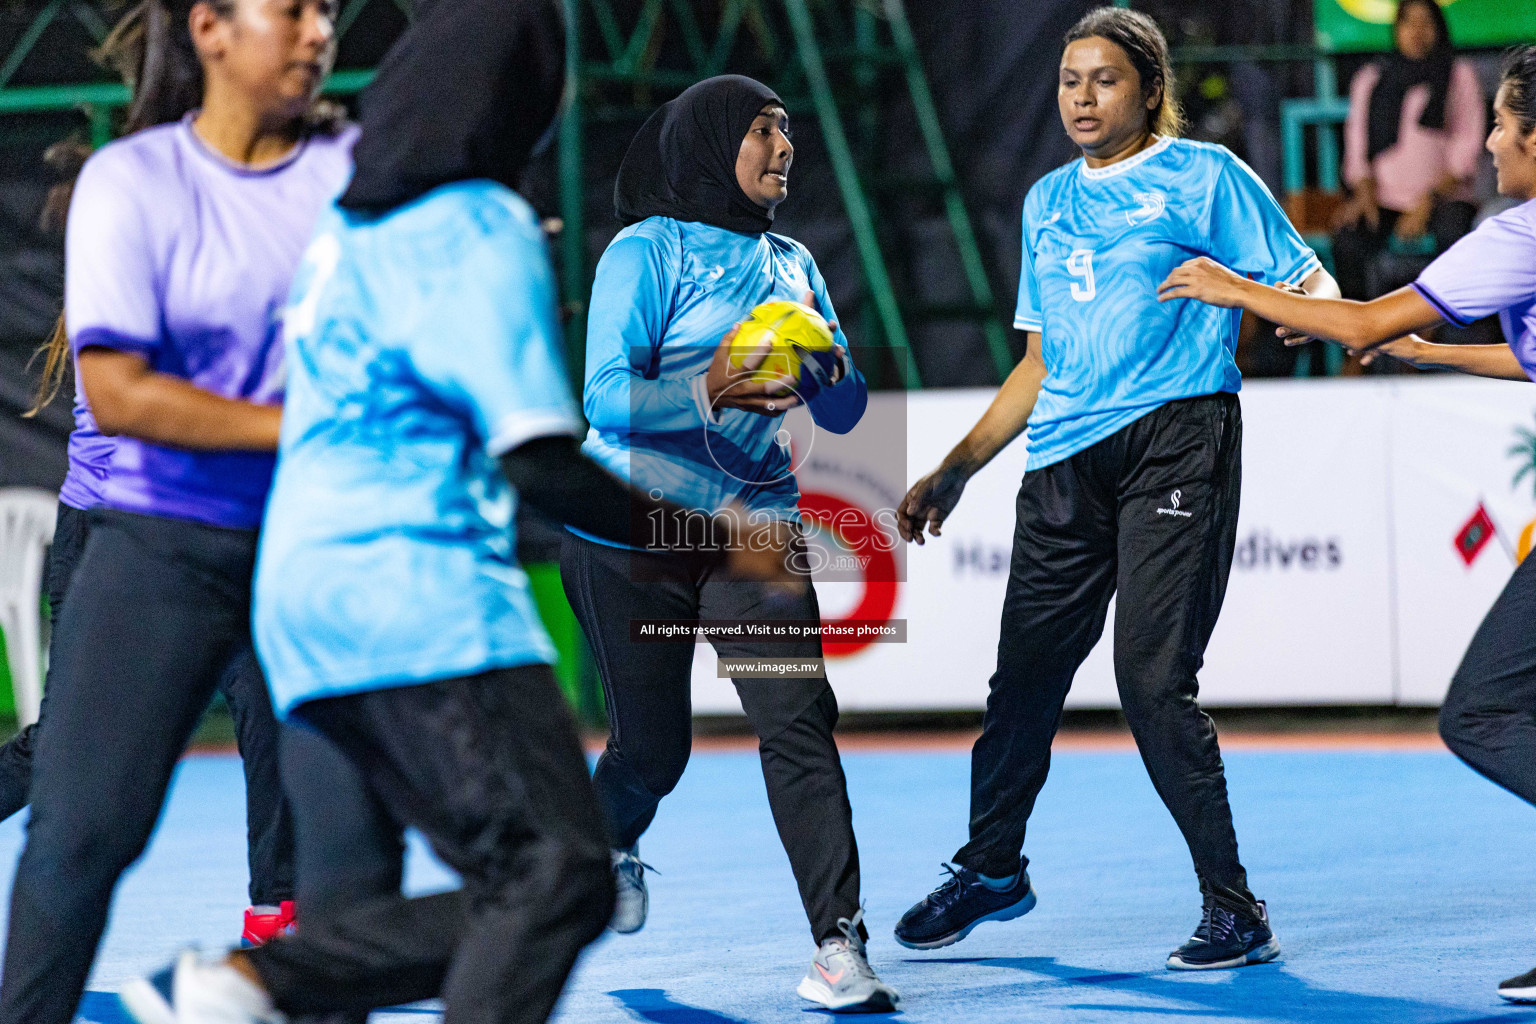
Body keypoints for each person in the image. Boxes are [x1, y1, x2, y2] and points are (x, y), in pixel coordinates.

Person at [117, 5, 804, 1024]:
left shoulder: (340, 230)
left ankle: (272, 980)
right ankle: (252, 979)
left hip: (299, 616)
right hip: (422, 602)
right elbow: (536, 457)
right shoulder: (480, 224)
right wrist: (715, 538)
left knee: (357, 914)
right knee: (564, 877)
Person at [892, 6, 1339, 971]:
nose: (1081, 98)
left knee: (1151, 679)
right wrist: (957, 468)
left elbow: (1312, 286)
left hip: (1177, 440)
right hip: (1061, 463)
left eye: (1102, 80)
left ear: (1148, 89)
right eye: (1067, 81)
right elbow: (1037, 363)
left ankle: (1235, 910)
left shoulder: (1205, 175)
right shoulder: (1046, 200)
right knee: (1023, 683)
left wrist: (1300, 313)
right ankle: (992, 868)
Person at [1158, 44, 1536, 1002]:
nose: (1488, 142)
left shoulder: (1520, 233)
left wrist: (1237, 290)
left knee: (1483, 713)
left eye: (1499, 122)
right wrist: (1433, 354)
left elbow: (1358, 323)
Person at [0, 0, 355, 1018]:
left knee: (278, 730)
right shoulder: (141, 194)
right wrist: (303, 425)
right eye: (292, 10)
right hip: (124, 535)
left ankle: (272, 929)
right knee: (65, 781)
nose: (318, 29)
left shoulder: (334, 176)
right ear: (208, 32)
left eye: (327, 10)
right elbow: (124, 396)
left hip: (274, 540)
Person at [558, 73, 899, 1012]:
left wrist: (822, 368)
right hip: (630, 527)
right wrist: (711, 386)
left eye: (789, 131)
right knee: (649, 754)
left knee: (799, 724)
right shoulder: (645, 251)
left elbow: (847, 402)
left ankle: (839, 946)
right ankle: (597, 852)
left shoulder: (793, 263)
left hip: (757, 526)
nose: (785, 148)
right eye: (763, 131)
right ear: (711, 144)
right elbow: (604, 398)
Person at [1331, 0, 1484, 305]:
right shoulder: (1372, 79)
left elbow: (1467, 144)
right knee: (1348, 238)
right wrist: (1363, 193)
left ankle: (1448, 339)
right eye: (1408, 22)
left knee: (1455, 236)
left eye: (1426, 22)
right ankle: (1359, 339)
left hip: (1443, 198)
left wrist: (1426, 202)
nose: (1417, 31)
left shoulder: (1457, 74)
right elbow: (1357, 143)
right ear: (1396, 29)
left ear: (1439, 28)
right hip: (1384, 198)